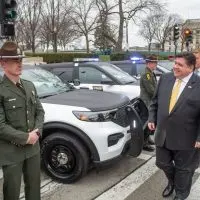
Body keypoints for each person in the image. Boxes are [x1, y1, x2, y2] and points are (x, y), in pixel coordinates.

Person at [148, 52, 200, 200]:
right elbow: (155, 101)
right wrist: (152, 117)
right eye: (175, 63)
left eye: (180, 65)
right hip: (163, 134)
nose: (175, 67)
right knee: (162, 162)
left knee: (184, 170)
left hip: (187, 138)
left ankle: (181, 194)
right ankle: (173, 182)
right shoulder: (165, 78)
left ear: (191, 67)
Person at [0, 41, 45, 200]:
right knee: (11, 191)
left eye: (20, 59)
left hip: (33, 149)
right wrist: (26, 137)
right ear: (3, 63)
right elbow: (0, 126)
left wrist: (37, 132)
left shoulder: (29, 86)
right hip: (11, 152)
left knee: (34, 189)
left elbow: (40, 112)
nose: (20, 64)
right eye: (14, 60)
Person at [140, 54, 158, 151]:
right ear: (149, 63)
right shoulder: (146, 74)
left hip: (149, 102)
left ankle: (147, 139)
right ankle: (144, 143)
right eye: (154, 63)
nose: (156, 65)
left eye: (156, 62)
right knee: (147, 123)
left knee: (149, 122)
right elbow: (151, 90)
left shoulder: (150, 72)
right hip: (146, 102)